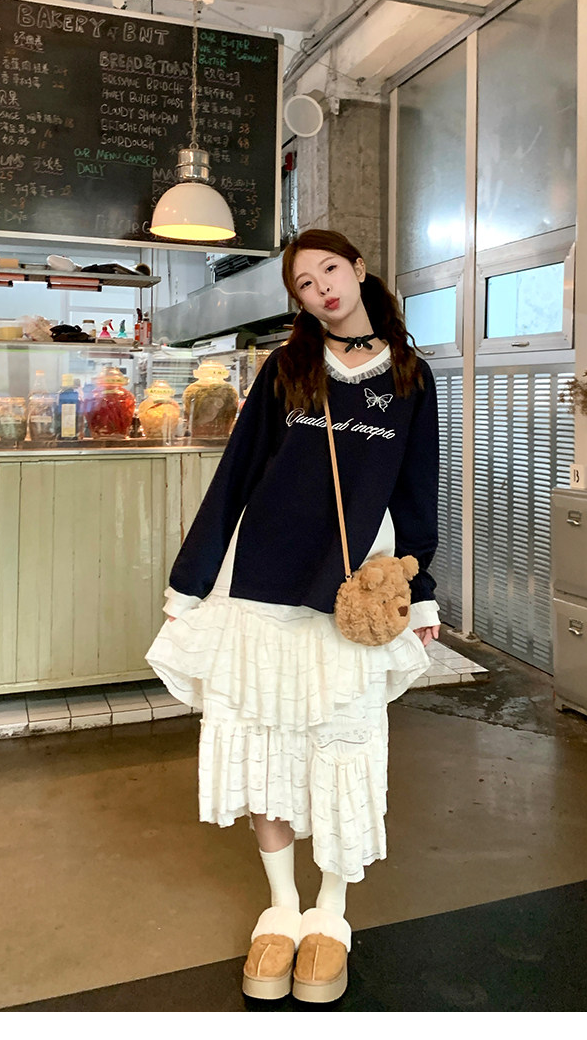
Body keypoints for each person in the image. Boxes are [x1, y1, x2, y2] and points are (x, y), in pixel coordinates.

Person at [146, 228, 440, 1004]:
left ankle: (330, 916)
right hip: (261, 582)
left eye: (330, 271)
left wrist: (422, 593)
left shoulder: (409, 378)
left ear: (359, 269)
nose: (322, 289)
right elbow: (236, 476)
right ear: (300, 301)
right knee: (264, 744)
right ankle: (280, 908)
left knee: (343, 749)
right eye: (305, 284)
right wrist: (188, 587)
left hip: (353, 596)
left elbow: (417, 490)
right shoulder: (287, 369)